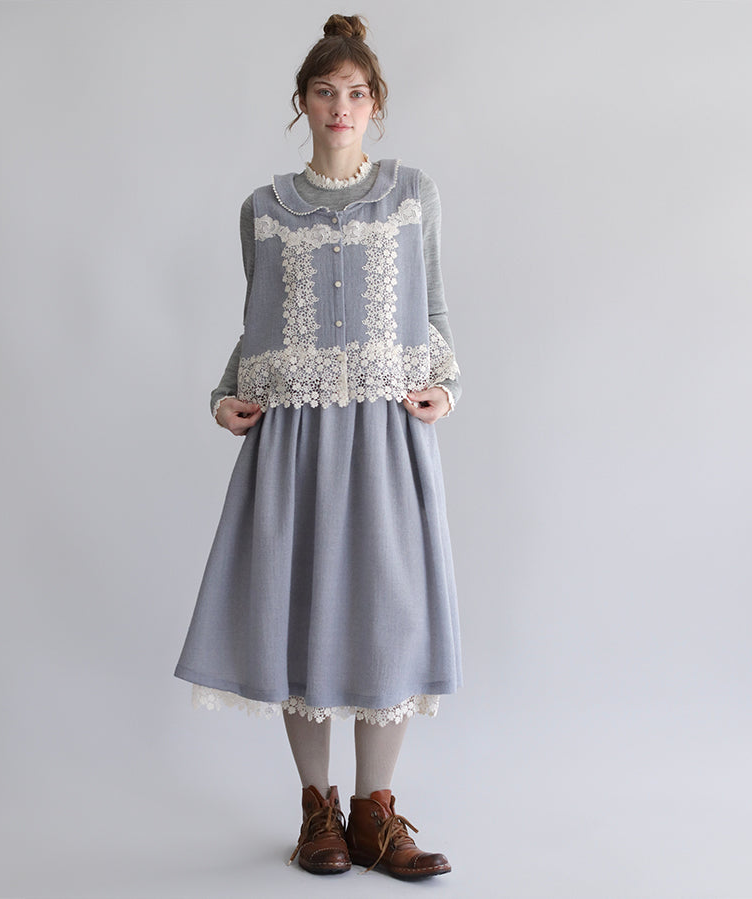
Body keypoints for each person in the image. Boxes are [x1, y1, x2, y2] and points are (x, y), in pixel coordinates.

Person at [174, 13, 462, 879]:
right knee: (298, 612)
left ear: (377, 104)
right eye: (326, 92)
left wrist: (447, 387)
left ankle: (376, 813)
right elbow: (256, 324)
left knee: (388, 614)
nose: (342, 106)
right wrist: (223, 397)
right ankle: (318, 811)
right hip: (294, 438)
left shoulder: (412, 194)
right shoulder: (263, 211)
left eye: (358, 93)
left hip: (385, 434)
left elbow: (434, 311)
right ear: (301, 102)